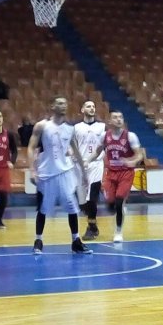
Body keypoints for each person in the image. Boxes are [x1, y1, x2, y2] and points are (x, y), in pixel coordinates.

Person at [27, 96, 92, 255]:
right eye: (59, 103)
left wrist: (84, 174)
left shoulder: (70, 129)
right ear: (52, 106)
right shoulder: (42, 126)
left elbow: (76, 151)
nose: (63, 106)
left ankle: (76, 241)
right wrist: (32, 170)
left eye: (65, 103)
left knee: (72, 207)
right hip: (47, 173)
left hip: (65, 172)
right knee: (43, 208)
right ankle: (38, 240)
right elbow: (30, 147)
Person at [85, 111, 144, 243]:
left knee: (118, 201)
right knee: (110, 205)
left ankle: (118, 231)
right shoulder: (104, 136)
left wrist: (133, 162)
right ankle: (119, 208)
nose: (118, 120)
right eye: (115, 117)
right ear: (110, 121)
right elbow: (97, 151)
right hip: (111, 173)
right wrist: (87, 160)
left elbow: (139, 154)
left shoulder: (130, 136)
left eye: (120, 117)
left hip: (125, 173)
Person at [74, 100, 106, 240]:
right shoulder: (76, 128)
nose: (92, 108)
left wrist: (92, 159)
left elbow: (104, 146)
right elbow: (72, 147)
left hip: (96, 164)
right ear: (82, 110)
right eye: (88, 106)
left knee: (92, 197)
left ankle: (90, 228)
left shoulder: (102, 126)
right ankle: (93, 226)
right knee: (83, 203)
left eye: (93, 106)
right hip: (80, 165)